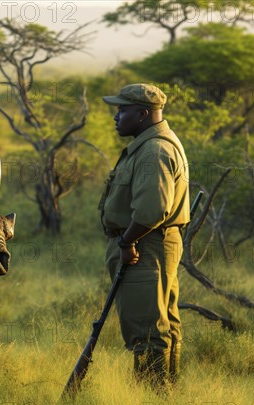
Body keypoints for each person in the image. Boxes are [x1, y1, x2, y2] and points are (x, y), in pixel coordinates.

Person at [98, 83, 190, 388]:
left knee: (147, 330)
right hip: (149, 243)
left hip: (145, 245)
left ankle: (152, 404)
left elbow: (152, 211)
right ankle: (167, 397)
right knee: (161, 324)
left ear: (142, 113)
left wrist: (127, 242)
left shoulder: (154, 150)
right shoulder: (151, 144)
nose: (116, 116)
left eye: (122, 110)